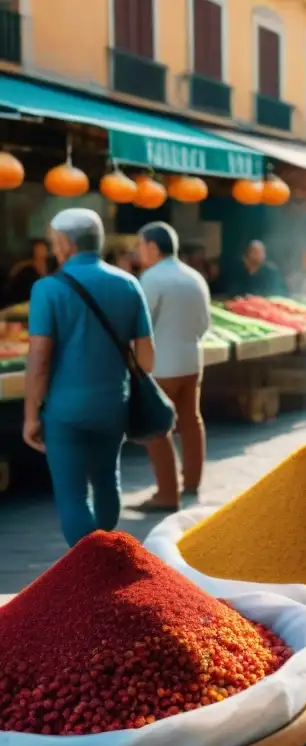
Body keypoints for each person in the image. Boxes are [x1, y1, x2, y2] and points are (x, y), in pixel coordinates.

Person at [23, 209, 155, 547]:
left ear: (66, 243)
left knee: (72, 496)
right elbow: (147, 359)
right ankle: (106, 557)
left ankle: (90, 569)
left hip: (65, 410)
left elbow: (38, 361)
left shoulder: (47, 289)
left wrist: (31, 415)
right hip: (114, 404)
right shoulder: (129, 283)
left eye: (55, 241)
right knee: (108, 482)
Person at [136, 222, 212, 511]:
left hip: (161, 364)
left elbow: (142, 327)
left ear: (153, 247)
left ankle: (167, 493)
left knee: (156, 427)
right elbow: (204, 324)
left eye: (140, 246)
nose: (137, 251)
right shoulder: (195, 277)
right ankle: (191, 481)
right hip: (192, 359)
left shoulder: (151, 279)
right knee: (191, 420)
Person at [4, 239, 50, 307]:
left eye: (43, 248)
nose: (42, 251)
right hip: (21, 304)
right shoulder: (27, 270)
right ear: (33, 250)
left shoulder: (51, 263)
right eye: (39, 248)